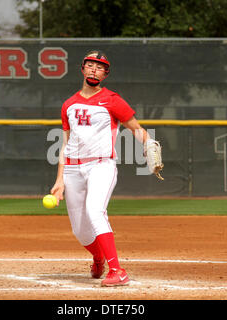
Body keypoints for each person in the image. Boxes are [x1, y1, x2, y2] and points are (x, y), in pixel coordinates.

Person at [50, 50, 161, 287]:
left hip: (101, 164)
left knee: (95, 210)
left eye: (99, 67)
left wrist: (148, 142)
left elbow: (136, 127)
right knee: (80, 230)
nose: (93, 69)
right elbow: (65, 143)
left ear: (105, 74)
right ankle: (97, 257)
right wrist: (59, 180)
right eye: (90, 65)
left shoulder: (112, 99)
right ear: (82, 68)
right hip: (72, 169)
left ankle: (117, 270)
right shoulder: (69, 104)